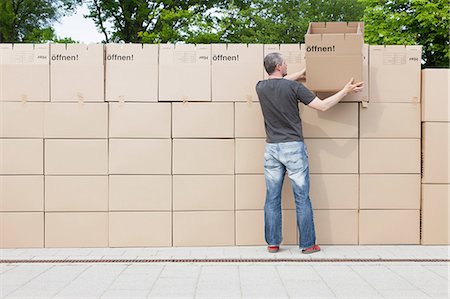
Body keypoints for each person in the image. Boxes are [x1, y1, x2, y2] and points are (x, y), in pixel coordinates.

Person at [256, 52, 363, 254]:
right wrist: (345, 91)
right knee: (302, 197)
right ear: (279, 66)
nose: (287, 66)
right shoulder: (294, 88)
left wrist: (300, 73)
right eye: (285, 64)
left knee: (272, 198)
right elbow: (322, 106)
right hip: (293, 148)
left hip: (271, 148)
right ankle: (307, 245)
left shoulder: (260, 87)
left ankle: (272, 243)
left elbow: (280, 83)